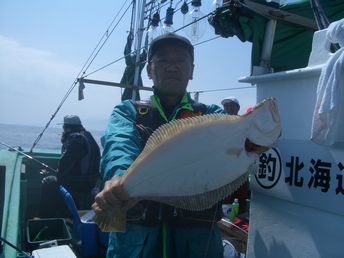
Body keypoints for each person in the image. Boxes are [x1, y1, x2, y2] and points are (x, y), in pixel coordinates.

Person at [93, 33, 267, 258]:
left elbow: (233, 148)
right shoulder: (128, 112)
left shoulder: (212, 115)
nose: (172, 67)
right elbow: (119, 146)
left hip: (197, 243)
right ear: (149, 70)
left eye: (180, 61)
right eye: (163, 60)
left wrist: (258, 139)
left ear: (192, 70)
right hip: (137, 243)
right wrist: (120, 181)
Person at [39, 115, 100, 218]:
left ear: (68, 128)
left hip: (79, 184)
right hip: (91, 183)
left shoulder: (76, 139)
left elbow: (63, 168)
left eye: (64, 128)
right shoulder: (88, 136)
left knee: (49, 182)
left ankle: (46, 218)